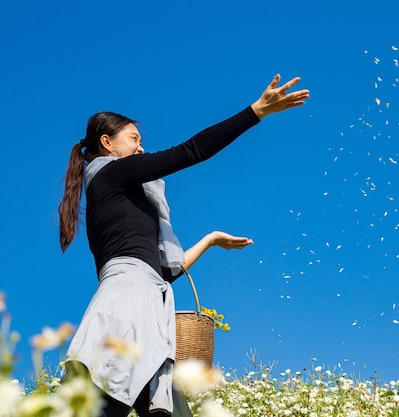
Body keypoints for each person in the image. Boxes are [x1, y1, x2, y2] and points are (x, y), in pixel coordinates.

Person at [57, 74, 309, 417]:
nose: (141, 148)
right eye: (134, 139)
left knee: (160, 407)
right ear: (107, 143)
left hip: (144, 300)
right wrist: (256, 111)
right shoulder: (110, 175)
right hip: (130, 304)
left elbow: (164, 271)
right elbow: (190, 152)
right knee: (100, 403)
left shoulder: (119, 197)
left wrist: (210, 240)